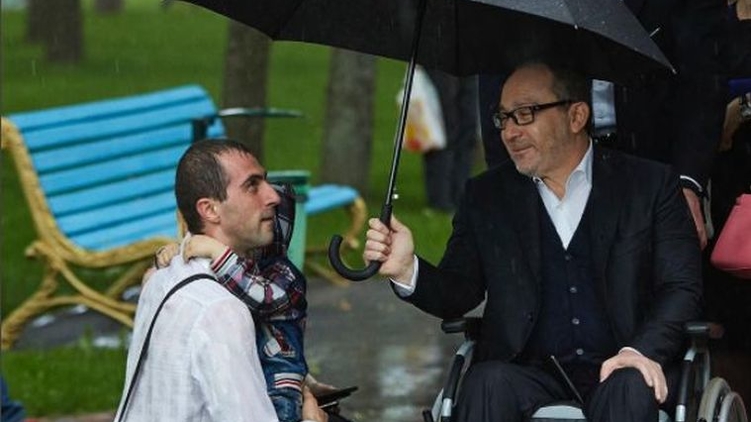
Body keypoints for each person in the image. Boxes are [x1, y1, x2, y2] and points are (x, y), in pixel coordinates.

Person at [364, 61, 703, 421]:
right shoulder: (487, 196)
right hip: (527, 371)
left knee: (631, 384)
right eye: (503, 118)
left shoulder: (649, 185)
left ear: (576, 116)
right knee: (486, 381)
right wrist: (407, 269)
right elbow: (459, 291)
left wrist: (640, 351)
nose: (510, 132)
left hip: (622, 366)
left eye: (525, 114)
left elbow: (681, 287)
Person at [479, 0, 727, 250]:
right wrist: (509, 189)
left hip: (653, 166)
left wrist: (687, 183)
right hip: (556, 169)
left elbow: (702, 86)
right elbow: (498, 89)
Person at [114, 139, 328, 422]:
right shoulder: (221, 310)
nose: (273, 197)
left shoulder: (159, 280)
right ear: (210, 210)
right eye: (252, 186)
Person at [154, 182, 310, 422]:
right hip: (243, 376)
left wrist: (218, 253)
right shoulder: (237, 268)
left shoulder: (284, 275)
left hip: (278, 382)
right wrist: (176, 254)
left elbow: (261, 298)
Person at [422, 70, 479, 213]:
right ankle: (441, 198)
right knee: (444, 127)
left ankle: (460, 194)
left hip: (470, 63)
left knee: (467, 127)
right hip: (439, 64)